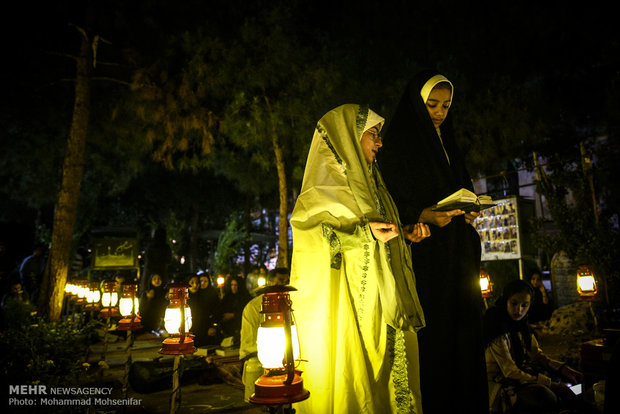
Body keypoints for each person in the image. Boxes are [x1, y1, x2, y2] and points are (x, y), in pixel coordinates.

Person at [290, 104, 430, 413]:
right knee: (358, 384)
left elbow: (379, 233)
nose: (380, 143)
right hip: (350, 307)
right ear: (349, 137)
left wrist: (403, 235)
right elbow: (311, 238)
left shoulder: (373, 184)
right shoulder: (323, 188)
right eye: (374, 135)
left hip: (386, 303)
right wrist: (364, 236)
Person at [379, 70, 489, 413]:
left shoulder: (449, 142)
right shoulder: (397, 144)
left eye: (445, 105)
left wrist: (469, 211)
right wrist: (422, 214)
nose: (440, 112)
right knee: (437, 343)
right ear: (417, 103)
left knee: (465, 339)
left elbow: (461, 186)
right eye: (432, 104)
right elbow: (389, 200)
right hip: (427, 258)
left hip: (458, 255)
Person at [484, 279, 585, 413]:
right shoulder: (497, 327)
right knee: (545, 396)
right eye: (514, 304)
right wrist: (551, 384)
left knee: (571, 385)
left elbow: (536, 354)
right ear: (506, 302)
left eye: (524, 305)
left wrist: (562, 368)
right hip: (499, 383)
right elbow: (509, 371)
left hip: (519, 376)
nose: (519, 310)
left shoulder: (522, 325)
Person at [239, 267, 290, 402]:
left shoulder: (288, 305)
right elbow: (249, 341)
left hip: (284, 360)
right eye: (280, 280)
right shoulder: (254, 307)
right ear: (270, 281)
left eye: (286, 281)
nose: (283, 284)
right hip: (257, 360)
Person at [217, 275, 251, 342]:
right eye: (232, 285)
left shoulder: (245, 297)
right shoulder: (228, 297)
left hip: (240, 328)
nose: (233, 287)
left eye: (235, 285)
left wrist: (233, 315)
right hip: (228, 329)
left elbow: (246, 312)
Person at [141, 227, 172, 293]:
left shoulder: (150, 246)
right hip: (162, 271)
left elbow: (147, 259)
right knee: (162, 291)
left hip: (149, 271)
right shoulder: (166, 247)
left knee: (147, 291)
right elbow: (168, 260)